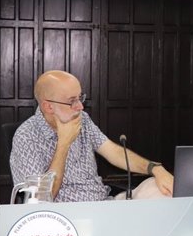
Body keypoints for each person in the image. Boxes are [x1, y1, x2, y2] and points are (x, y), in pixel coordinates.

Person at [10, 70, 173, 202]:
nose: (80, 106)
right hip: (66, 218)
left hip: (104, 203)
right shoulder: (26, 136)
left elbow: (115, 154)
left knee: (161, 189)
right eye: (72, 101)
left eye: (80, 98)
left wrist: (155, 168)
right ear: (48, 107)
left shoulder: (82, 120)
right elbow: (39, 200)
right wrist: (64, 143)